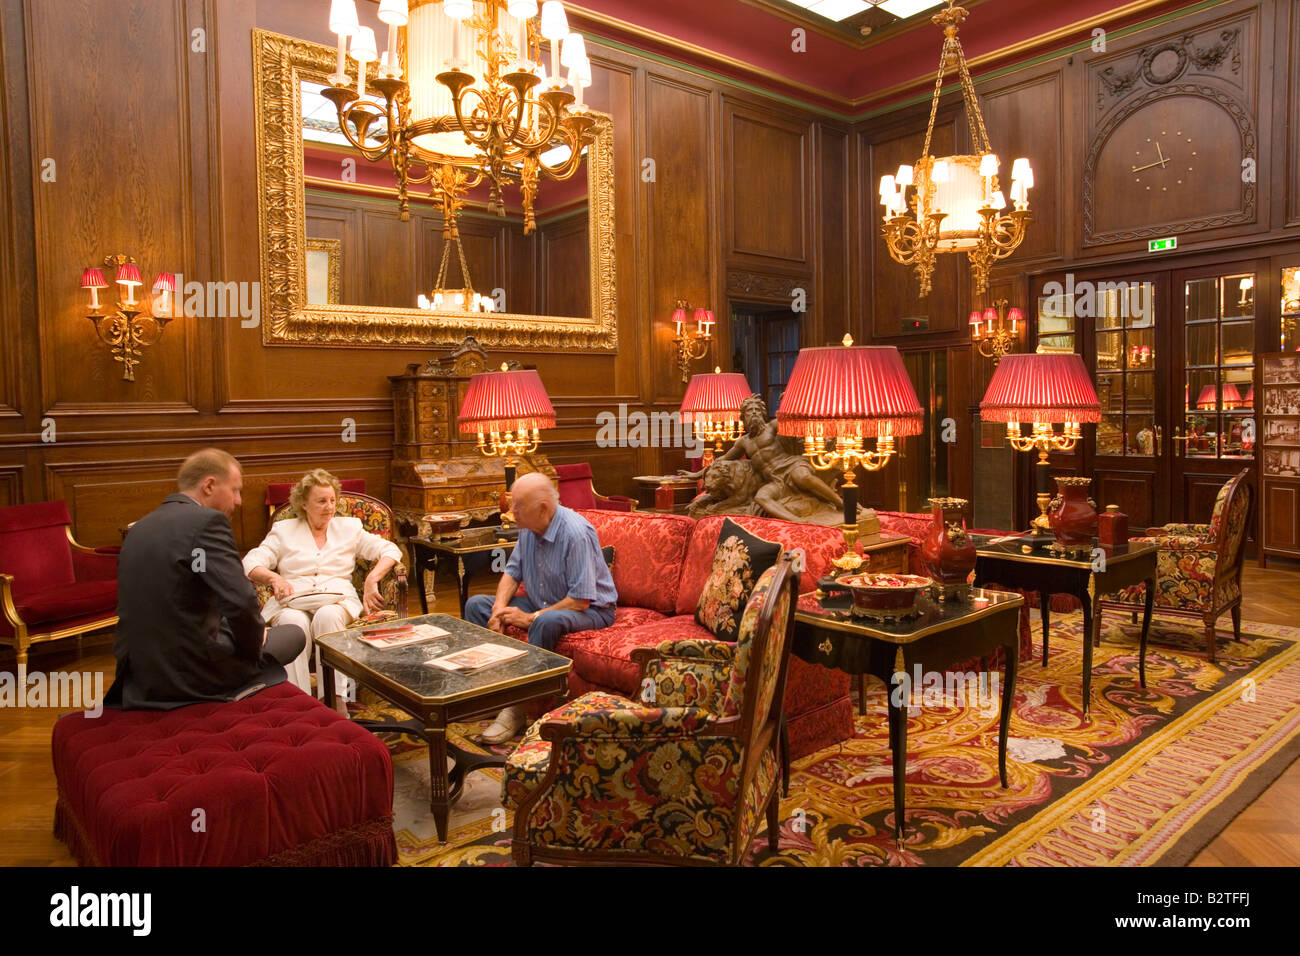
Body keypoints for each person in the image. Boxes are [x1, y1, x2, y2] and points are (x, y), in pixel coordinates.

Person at [105, 449, 306, 710]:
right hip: (191, 675)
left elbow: (174, 599)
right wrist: (255, 642)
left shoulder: (140, 528)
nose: (239, 501)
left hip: (138, 675)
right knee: (293, 634)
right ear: (209, 485)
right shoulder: (207, 522)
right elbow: (241, 601)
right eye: (235, 490)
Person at [464, 472, 617, 743]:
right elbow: (512, 573)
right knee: (477, 605)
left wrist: (530, 617)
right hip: (543, 601)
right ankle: (485, 695)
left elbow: (580, 599)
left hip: (591, 610)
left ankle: (517, 708)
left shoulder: (576, 532)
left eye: (518, 505)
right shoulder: (528, 528)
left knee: (544, 622)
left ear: (543, 508)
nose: (511, 512)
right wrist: (499, 608)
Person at [242, 469, 401, 708]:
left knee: (327, 616)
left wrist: (372, 578)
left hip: (336, 599)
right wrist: (274, 579)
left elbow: (390, 551)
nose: (329, 507)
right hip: (291, 599)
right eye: (321, 501)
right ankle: (299, 704)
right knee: (294, 625)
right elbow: (251, 562)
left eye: (332, 500)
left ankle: (336, 701)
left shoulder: (349, 527)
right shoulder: (284, 530)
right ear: (304, 503)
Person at [681, 394, 844, 523]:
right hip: (774, 480)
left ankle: (839, 502)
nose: (753, 413)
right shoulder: (743, 442)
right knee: (761, 497)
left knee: (801, 477)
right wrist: (696, 474)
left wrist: (789, 401)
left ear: (763, 414)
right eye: (749, 411)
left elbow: (791, 419)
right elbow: (723, 459)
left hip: (791, 465)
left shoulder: (772, 427)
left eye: (756, 410)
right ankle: (798, 522)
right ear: (743, 418)